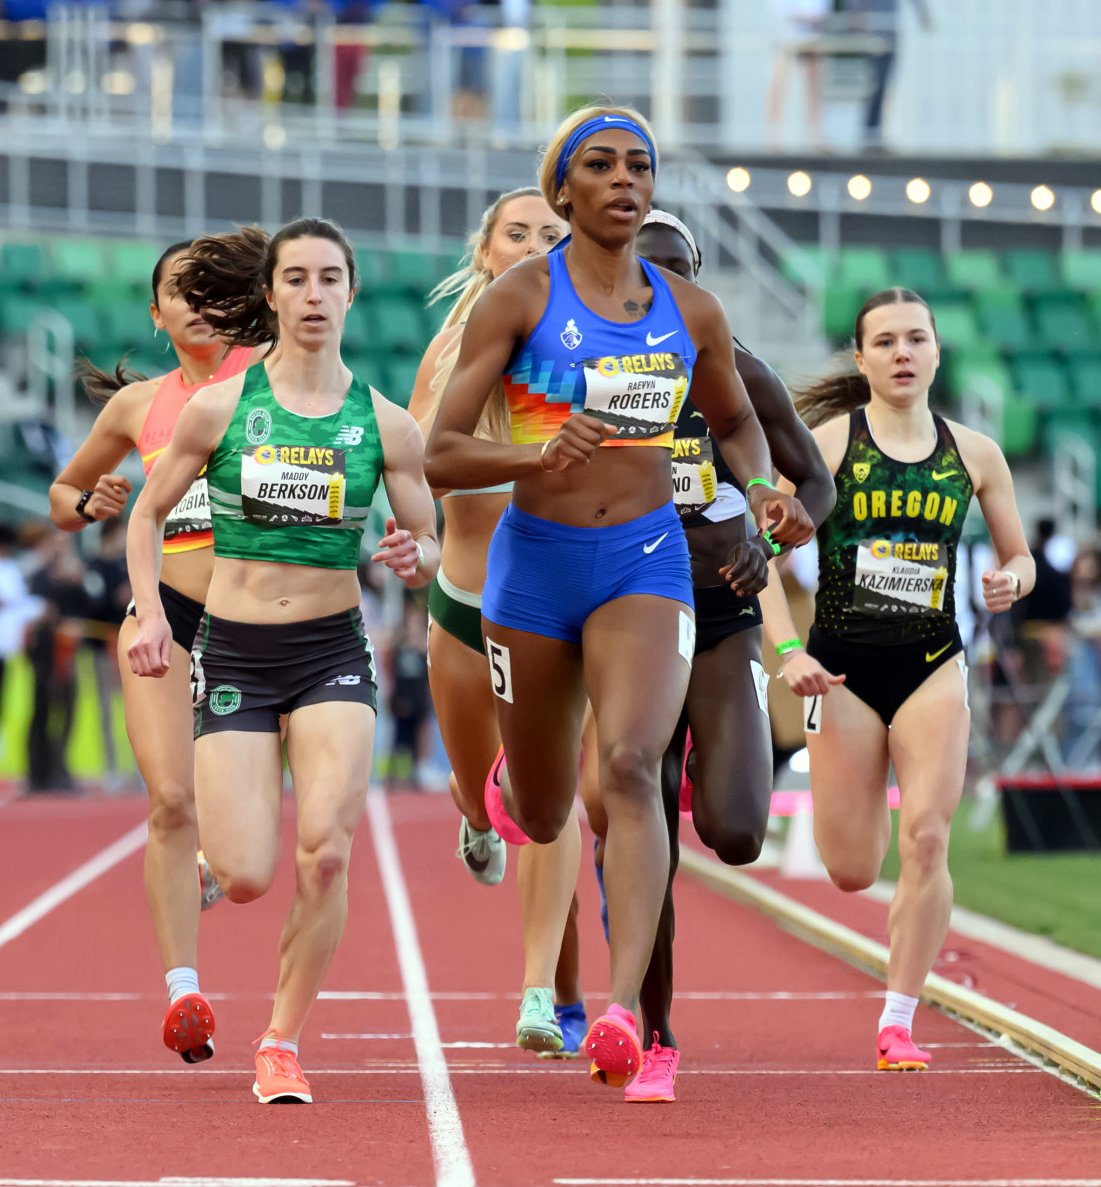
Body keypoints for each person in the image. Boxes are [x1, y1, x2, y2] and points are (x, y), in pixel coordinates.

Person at [424, 104, 813, 1088]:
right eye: (599, 164)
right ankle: (511, 792)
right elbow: (440, 455)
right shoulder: (516, 300)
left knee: (634, 767)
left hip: (646, 563)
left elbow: (740, 421)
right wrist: (532, 451)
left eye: (639, 163)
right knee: (549, 808)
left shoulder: (693, 314)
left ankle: (625, 1011)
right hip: (536, 564)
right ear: (565, 190)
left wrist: (762, 488)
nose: (623, 179)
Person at [126, 217, 439, 1104]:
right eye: (294, 278)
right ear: (269, 295)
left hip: (330, 650)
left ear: (351, 292)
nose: (312, 294)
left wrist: (419, 558)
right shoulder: (221, 408)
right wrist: (151, 614)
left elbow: (428, 535)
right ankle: (213, 873)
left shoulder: (384, 425)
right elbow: (146, 517)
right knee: (249, 873)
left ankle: (281, 1040)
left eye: (328, 278)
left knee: (327, 854)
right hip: (233, 650)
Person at [580, 209, 836, 1103]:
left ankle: (696, 768)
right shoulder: (586, 367)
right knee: (638, 815)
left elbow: (813, 479)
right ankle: (653, 1032)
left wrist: (777, 527)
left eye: (671, 272)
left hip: (721, 615)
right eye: (635, 272)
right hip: (627, 615)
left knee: (732, 832)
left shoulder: (733, 370)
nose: (653, 288)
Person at [768, 287, 1034, 1070]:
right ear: (860, 358)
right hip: (841, 670)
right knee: (851, 868)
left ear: (937, 351)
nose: (901, 353)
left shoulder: (975, 453)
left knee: (925, 835)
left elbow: (1015, 557)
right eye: (883, 342)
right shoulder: (823, 447)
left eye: (915, 339)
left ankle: (897, 1019)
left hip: (931, 664)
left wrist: (1009, 583)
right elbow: (759, 562)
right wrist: (789, 651)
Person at [50, 241, 265, 1061]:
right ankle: (184, 992)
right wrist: (90, 498)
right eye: (183, 289)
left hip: (262, 618)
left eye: (218, 289)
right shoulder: (137, 406)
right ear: (157, 312)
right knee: (170, 800)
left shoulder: (277, 380)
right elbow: (64, 495)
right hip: (163, 612)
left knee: (251, 866)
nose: (201, 302)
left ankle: (214, 873)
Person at [408, 188, 589, 1056]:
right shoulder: (451, 349)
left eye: (549, 235)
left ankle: (535, 994)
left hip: (556, 600)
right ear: (485, 250)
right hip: (463, 596)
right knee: (482, 788)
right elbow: (415, 463)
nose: (531, 245)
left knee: (549, 803)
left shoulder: (585, 347)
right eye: (515, 232)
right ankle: (474, 820)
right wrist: (407, 537)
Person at [840, 0, 933, 151]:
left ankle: (875, 131)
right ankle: (870, 131)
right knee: (874, 84)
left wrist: (924, 16)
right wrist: (855, 15)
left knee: (884, 84)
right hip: (870, 34)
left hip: (890, 34)